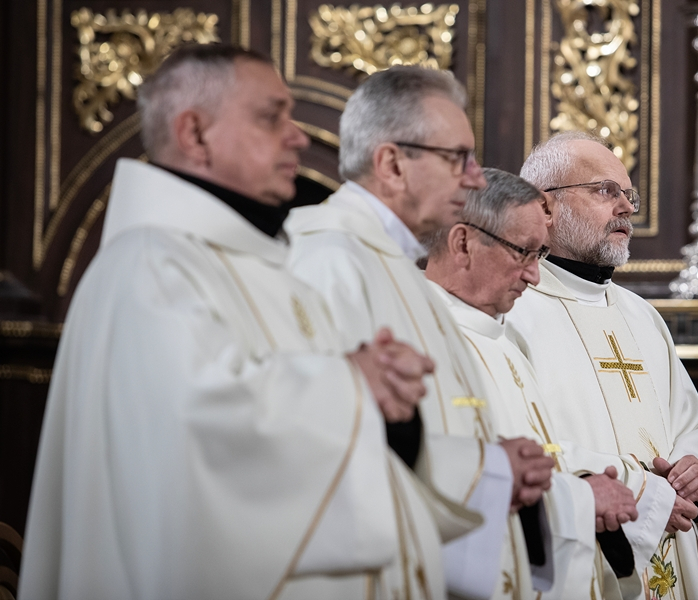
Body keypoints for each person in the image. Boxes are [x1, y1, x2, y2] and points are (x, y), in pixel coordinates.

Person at [19, 44, 474, 600]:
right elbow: (200, 441)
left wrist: (388, 406)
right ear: (195, 134)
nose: (298, 137)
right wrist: (355, 385)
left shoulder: (265, 266)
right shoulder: (150, 268)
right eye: (270, 117)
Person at [284, 66, 555, 599]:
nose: (474, 178)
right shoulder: (328, 260)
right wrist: (486, 469)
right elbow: (320, 448)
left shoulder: (396, 268)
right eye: (458, 158)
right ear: (392, 165)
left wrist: (496, 467)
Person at [507, 132, 698, 599]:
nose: (627, 208)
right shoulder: (512, 310)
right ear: (545, 205)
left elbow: (689, 427)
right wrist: (644, 492)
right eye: (605, 191)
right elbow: (517, 447)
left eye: (628, 194)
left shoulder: (641, 315)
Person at [425, 167, 665, 598]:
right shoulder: (423, 340)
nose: (534, 276)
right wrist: (583, 500)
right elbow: (441, 487)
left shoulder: (499, 339)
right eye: (524, 253)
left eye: (540, 255)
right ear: (462, 244)